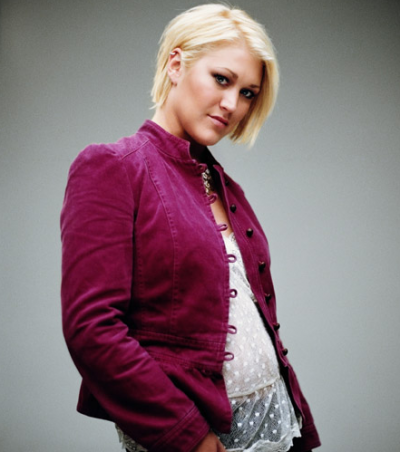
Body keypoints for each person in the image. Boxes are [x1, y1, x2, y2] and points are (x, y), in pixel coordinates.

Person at [60, 4, 321, 452]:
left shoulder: (223, 185)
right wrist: (188, 435)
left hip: (277, 421)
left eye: (248, 93)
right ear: (176, 65)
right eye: (222, 79)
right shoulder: (113, 167)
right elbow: (92, 329)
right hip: (195, 435)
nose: (232, 104)